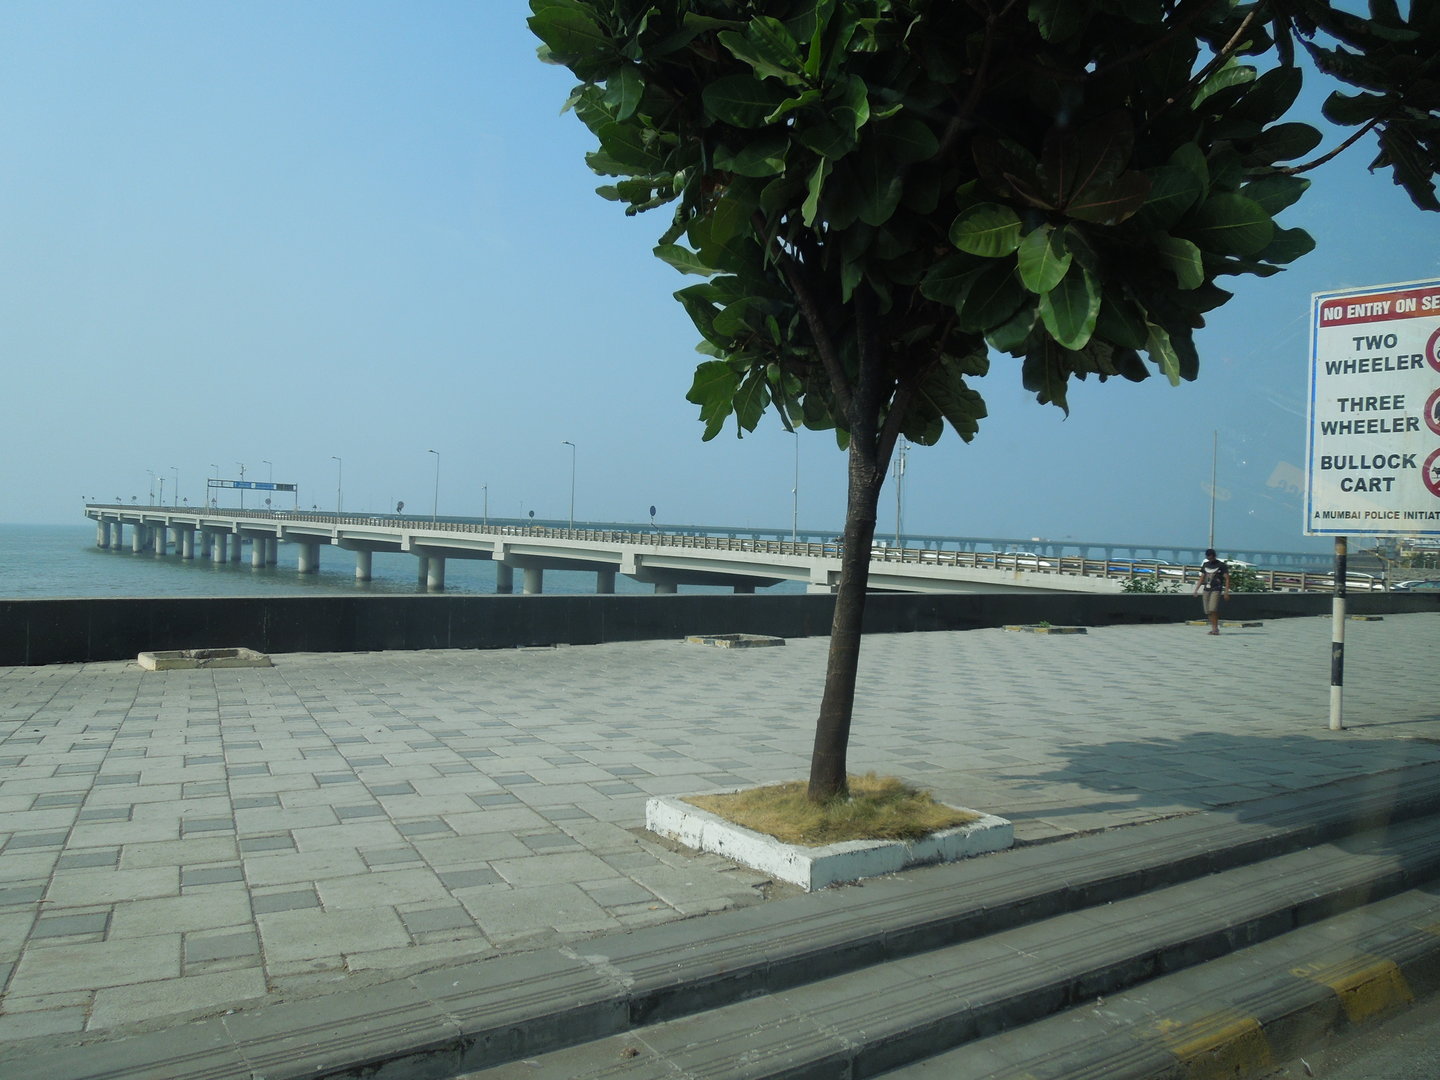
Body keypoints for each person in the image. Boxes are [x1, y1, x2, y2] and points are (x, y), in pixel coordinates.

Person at [1193, 548, 1230, 635]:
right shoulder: (1205, 565)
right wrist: (1196, 590)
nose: (1209, 559)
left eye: (1211, 557)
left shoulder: (1221, 565)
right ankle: (1213, 628)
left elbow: (1227, 578)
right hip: (1206, 589)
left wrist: (1226, 592)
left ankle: (1215, 629)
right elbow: (1202, 577)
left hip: (1216, 589)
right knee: (1207, 611)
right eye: (1208, 557)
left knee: (1213, 609)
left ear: (1214, 556)